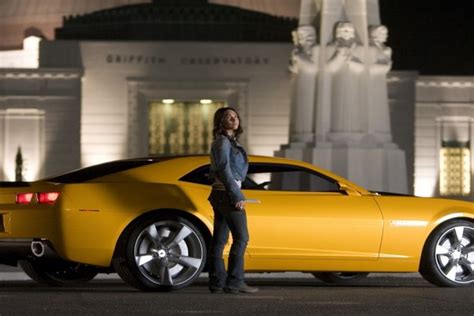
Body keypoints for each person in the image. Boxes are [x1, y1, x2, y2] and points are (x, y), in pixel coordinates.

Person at [207, 107, 258, 294]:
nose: (233, 119)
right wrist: (236, 195)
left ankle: (217, 282)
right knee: (242, 238)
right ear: (220, 121)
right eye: (228, 117)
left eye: (236, 116)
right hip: (227, 194)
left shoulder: (229, 142)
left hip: (220, 193)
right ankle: (235, 281)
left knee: (219, 240)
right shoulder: (222, 142)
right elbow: (225, 170)